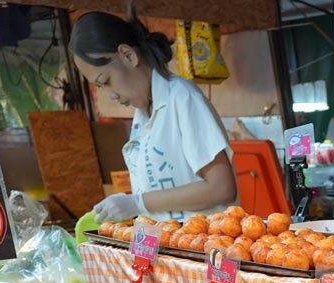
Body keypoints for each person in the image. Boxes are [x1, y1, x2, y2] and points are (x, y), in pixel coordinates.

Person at [71, 11, 237, 222]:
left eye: (106, 81)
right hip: (167, 247)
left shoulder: (181, 97)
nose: (110, 95)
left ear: (128, 56)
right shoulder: (143, 115)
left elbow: (221, 188)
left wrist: (138, 203)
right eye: (99, 87)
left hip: (202, 247)